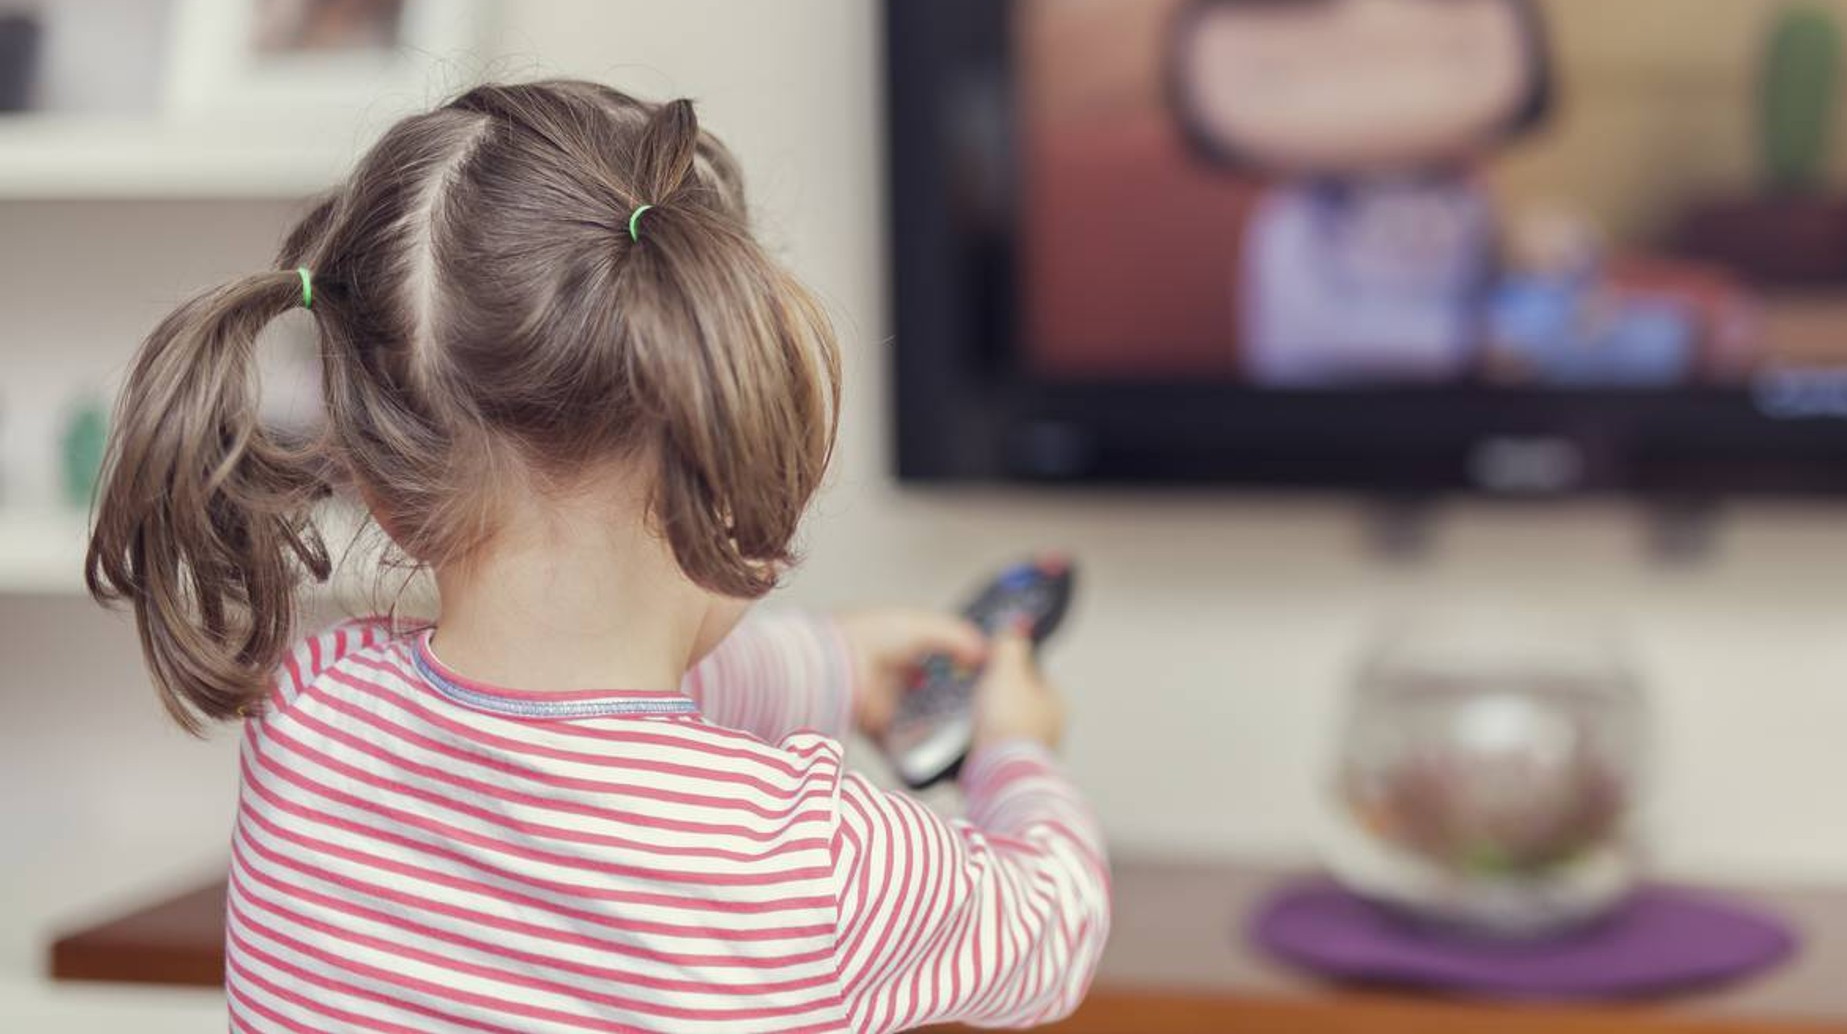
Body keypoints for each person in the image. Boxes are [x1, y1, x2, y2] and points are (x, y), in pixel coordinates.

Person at [85, 80, 1109, 1032]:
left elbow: (574, 711)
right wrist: (1015, 749)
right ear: (740, 458)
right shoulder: (820, 859)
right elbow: (1054, 922)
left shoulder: (308, 714)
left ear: (386, 495)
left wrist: (835, 667)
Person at [1164, 0, 1555, 386]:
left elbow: (1486, 269)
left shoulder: (1464, 189)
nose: (1391, 97)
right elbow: (1317, 327)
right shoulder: (1293, 219)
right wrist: (1462, 342)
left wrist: (1541, 263)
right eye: (1283, 73)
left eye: (1448, 55)